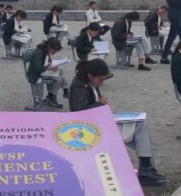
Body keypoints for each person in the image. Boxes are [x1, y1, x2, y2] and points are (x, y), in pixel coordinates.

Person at [68, 59, 165, 187]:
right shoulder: (80, 88)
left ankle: (146, 167)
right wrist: (99, 104)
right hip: (91, 130)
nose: (101, 83)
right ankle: (146, 168)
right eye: (100, 80)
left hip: (100, 123)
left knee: (141, 124)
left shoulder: (89, 83)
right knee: (140, 128)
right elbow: (79, 115)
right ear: (90, 76)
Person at [26, 38, 70, 109]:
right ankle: (56, 94)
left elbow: (49, 62)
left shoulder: (46, 51)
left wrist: (53, 66)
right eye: (54, 50)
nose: (54, 52)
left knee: (60, 72)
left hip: (43, 72)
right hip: (36, 74)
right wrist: (48, 68)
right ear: (49, 47)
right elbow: (38, 68)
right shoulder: (39, 52)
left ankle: (52, 96)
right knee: (58, 79)